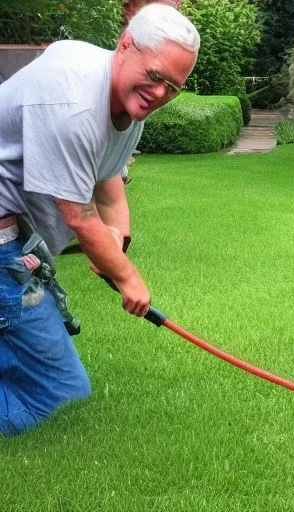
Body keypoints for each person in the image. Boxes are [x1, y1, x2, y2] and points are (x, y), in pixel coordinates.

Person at [0, 4, 200, 435]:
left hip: (12, 234)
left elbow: (107, 178)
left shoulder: (128, 97)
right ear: (126, 43)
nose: (161, 93)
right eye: (157, 76)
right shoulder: (72, 102)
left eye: (174, 87)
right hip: (3, 245)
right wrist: (129, 279)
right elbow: (79, 216)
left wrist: (118, 236)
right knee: (58, 394)